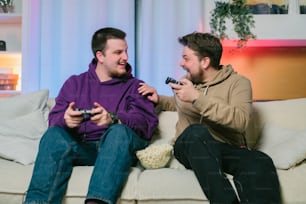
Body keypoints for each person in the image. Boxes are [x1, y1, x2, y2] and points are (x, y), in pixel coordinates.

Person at [138, 32, 281, 204]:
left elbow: (240, 121)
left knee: (260, 160)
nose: (181, 63)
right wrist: (159, 99)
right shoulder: (187, 81)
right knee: (196, 133)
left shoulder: (238, 83)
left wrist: (197, 98)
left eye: (186, 58)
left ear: (205, 62)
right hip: (189, 146)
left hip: (224, 148)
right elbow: (178, 104)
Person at [24, 27, 158, 204]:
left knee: (118, 132)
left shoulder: (136, 86)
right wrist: (66, 120)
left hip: (118, 151)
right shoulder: (74, 83)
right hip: (83, 148)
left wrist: (113, 119)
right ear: (100, 56)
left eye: (126, 51)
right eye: (118, 52)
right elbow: (54, 120)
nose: (125, 57)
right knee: (53, 135)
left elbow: (145, 124)